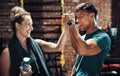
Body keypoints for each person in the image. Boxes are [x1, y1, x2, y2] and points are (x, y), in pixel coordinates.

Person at [0, 6, 69, 76]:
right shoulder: (7, 53)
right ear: (17, 25)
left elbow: (58, 47)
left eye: (31, 25)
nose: (31, 28)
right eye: (28, 25)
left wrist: (66, 26)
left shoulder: (37, 43)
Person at [64, 2, 111, 76]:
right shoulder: (82, 38)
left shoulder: (103, 37)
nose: (77, 20)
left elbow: (83, 50)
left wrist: (71, 24)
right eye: (77, 17)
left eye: (80, 16)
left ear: (92, 15)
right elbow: (77, 64)